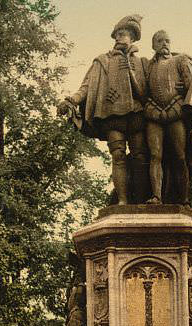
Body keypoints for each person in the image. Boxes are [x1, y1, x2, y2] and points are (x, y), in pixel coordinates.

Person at [58, 14, 149, 204]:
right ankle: (122, 201)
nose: (118, 38)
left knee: (140, 156)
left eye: (122, 34)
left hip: (137, 115)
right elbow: (86, 86)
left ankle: (140, 201)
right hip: (112, 115)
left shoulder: (142, 62)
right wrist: (71, 100)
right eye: (116, 34)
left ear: (132, 37)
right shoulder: (102, 61)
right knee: (118, 156)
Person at [144, 30, 192, 203]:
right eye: (160, 41)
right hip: (153, 114)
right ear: (153, 45)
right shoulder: (148, 66)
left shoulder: (180, 61)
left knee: (180, 156)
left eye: (167, 40)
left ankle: (184, 199)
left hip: (176, 113)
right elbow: (142, 89)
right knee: (155, 155)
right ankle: (156, 196)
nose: (164, 44)